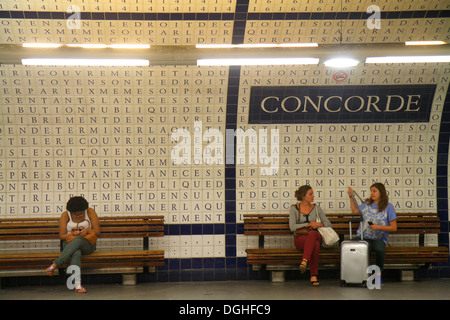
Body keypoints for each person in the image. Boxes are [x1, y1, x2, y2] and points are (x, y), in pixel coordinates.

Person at [45, 196, 100, 293]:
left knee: (78, 240)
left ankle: (55, 264)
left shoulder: (90, 212)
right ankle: (78, 285)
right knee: (76, 253)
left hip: (87, 244)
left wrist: (87, 231)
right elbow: (62, 236)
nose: (78, 216)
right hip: (69, 243)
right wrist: (71, 234)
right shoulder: (65, 215)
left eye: (81, 213)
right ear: (71, 212)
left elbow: (97, 231)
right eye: (75, 214)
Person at [348, 183, 397, 278]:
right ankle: (357, 274)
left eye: (374, 191)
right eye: (371, 191)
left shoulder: (388, 207)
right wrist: (351, 197)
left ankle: (378, 274)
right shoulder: (367, 204)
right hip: (362, 236)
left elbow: (394, 227)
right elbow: (355, 211)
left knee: (379, 250)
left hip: (378, 238)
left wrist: (378, 227)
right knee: (351, 247)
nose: (372, 193)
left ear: (381, 192)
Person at [289, 185, 332, 286]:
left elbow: (329, 224)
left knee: (313, 234)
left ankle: (304, 261)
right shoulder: (294, 208)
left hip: (316, 235)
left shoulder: (317, 208)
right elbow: (292, 227)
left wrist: (319, 224)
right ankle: (314, 275)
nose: (313, 196)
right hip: (300, 239)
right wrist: (308, 224)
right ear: (303, 196)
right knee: (315, 245)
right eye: (310, 194)